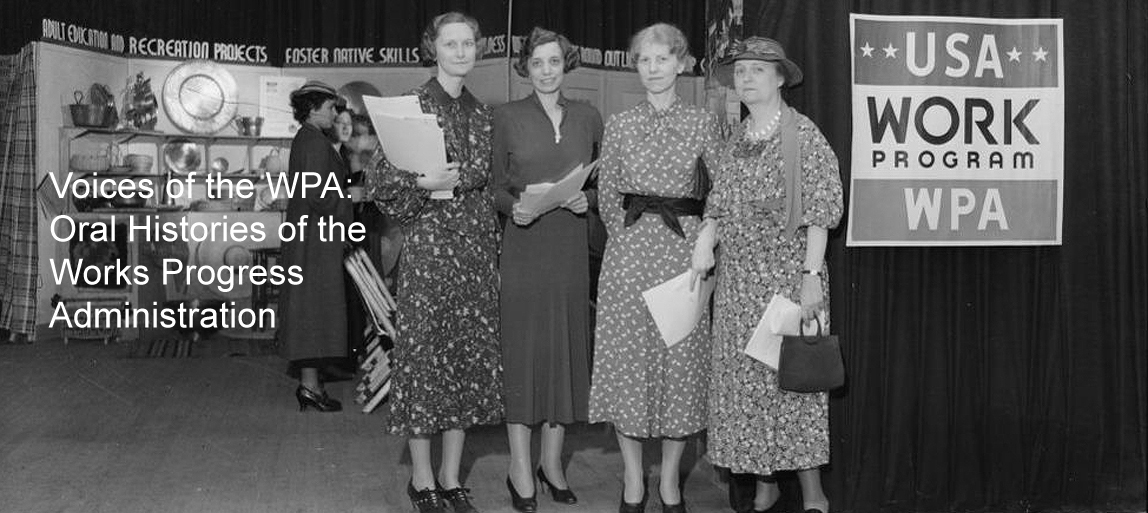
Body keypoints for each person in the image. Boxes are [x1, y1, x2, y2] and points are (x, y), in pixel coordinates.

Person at [690, 37, 843, 513]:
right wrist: (703, 239)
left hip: (785, 278)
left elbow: (821, 211)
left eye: (758, 69)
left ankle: (814, 494)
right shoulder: (735, 141)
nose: (747, 78)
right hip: (738, 284)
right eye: (741, 71)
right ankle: (763, 486)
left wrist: (811, 275)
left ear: (779, 78)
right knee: (744, 389)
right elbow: (717, 206)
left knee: (792, 384)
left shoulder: (805, 135)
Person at [364, 11, 502, 513]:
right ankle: (421, 479)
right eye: (451, 43)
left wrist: (495, 254)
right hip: (427, 251)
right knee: (424, 363)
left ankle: (451, 478)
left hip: (474, 253)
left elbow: (487, 189)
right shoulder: (409, 107)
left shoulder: (484, 114)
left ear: (478, 48)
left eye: (468, 43)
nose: (461, 52)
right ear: (433, 48)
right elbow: (378, 185)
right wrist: (422, 184)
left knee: (464, 362)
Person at [588, 22, 719, 513]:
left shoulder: (704, 122)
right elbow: (607, 198)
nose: (653, 68)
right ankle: (632, 482)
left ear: (681, 63)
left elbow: (722, 190)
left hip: (684, 256)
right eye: (644, 59)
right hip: (627, 258)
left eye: (662, 58)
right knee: (629, 366)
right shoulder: (619, 124)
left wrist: (706, 236)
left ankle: (668, 482)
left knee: (680, 366)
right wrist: (625, 243)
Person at [491, 26, 604, 513]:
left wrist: (589, 198)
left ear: (566, 64)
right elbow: (495, 185)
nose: (546, 71)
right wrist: (511, 206)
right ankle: (520, 467)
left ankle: (552, 464)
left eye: (554, 61)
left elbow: (607, 181)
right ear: (525, 68)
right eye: (537, 63)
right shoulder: (507, 117)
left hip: (569, 249)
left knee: (564, 352)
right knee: (524, 352)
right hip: (525, 244)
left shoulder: (588, 116)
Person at [278, 80, 354, 412]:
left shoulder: (310, 140)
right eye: (330, 108)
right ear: (312, 109)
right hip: (315, 240)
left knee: (310, 311)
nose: (335, 114)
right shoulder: (313, 143)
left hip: (311, 238)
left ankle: (310, 385)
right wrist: (351, 197)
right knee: (313, 311)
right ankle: (310, 387)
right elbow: (319, 195)